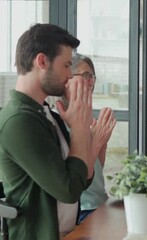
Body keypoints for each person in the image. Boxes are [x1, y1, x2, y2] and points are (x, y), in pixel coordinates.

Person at [0, 23, 95, 239]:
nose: (70, 75)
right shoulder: (19, 120)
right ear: (42, 61)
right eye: (66, 65)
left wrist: (82, 128)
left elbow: (82, 178)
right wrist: (80, 127)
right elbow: (69, 190)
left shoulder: (46, 113)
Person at [47, 53, 116, 224]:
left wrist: (103, 143)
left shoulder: (86, 118)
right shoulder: (56, 121)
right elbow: (76, 178)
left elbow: (96, 171)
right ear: (67, 79)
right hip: (82, 209)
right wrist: (97, 141)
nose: (90, 80)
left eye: (91, 75)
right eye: (84, 75)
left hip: (101, 202)